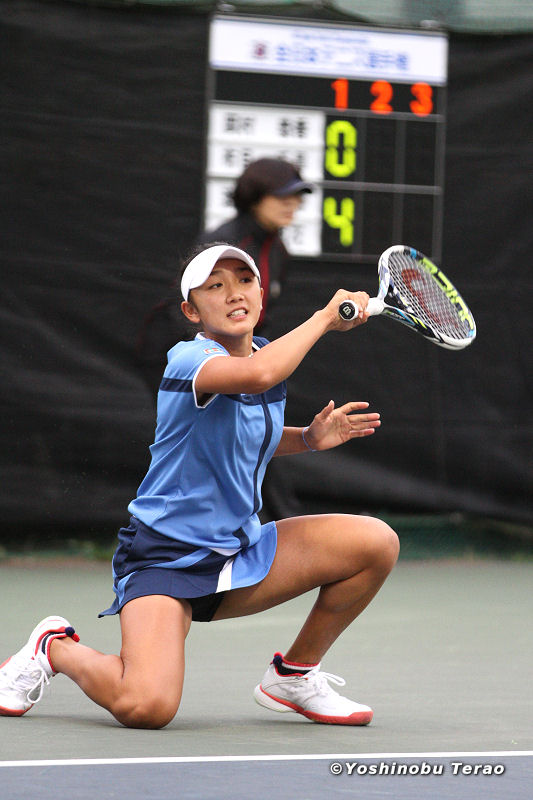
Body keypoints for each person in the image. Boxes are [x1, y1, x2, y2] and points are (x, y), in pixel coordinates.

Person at [0, 244, 399, 729]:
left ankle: (293, 676)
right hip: (166, 557)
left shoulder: (263, 355)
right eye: (215, 286)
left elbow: (245, 436)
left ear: (260, 295)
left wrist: (309, 440)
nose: (234, 294)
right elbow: (259, 376)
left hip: (238, 554)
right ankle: (54, 648)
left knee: (375, 542)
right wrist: (325, 318)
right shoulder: (192, 359)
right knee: (147, 707)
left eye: (245, 281)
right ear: (192, 311)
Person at [135, 158, 313, 399]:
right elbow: (180, 314)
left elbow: (258, 320)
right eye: (282, 196)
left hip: (232, 359)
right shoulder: (225, 244)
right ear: (255, 198)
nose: (292, 204)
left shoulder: (278, 251)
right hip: (180, 357)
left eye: (297, 196)